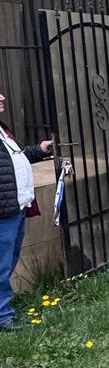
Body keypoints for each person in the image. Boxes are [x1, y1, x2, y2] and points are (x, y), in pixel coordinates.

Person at [0, 91, 52, 332]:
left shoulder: (3, 130)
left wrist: (39, 150)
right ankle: (3, 316)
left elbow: (13, 161)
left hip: (16, 208)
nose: (2, 97)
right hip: (3, 213)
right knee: (1, 266)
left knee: (7, 263)